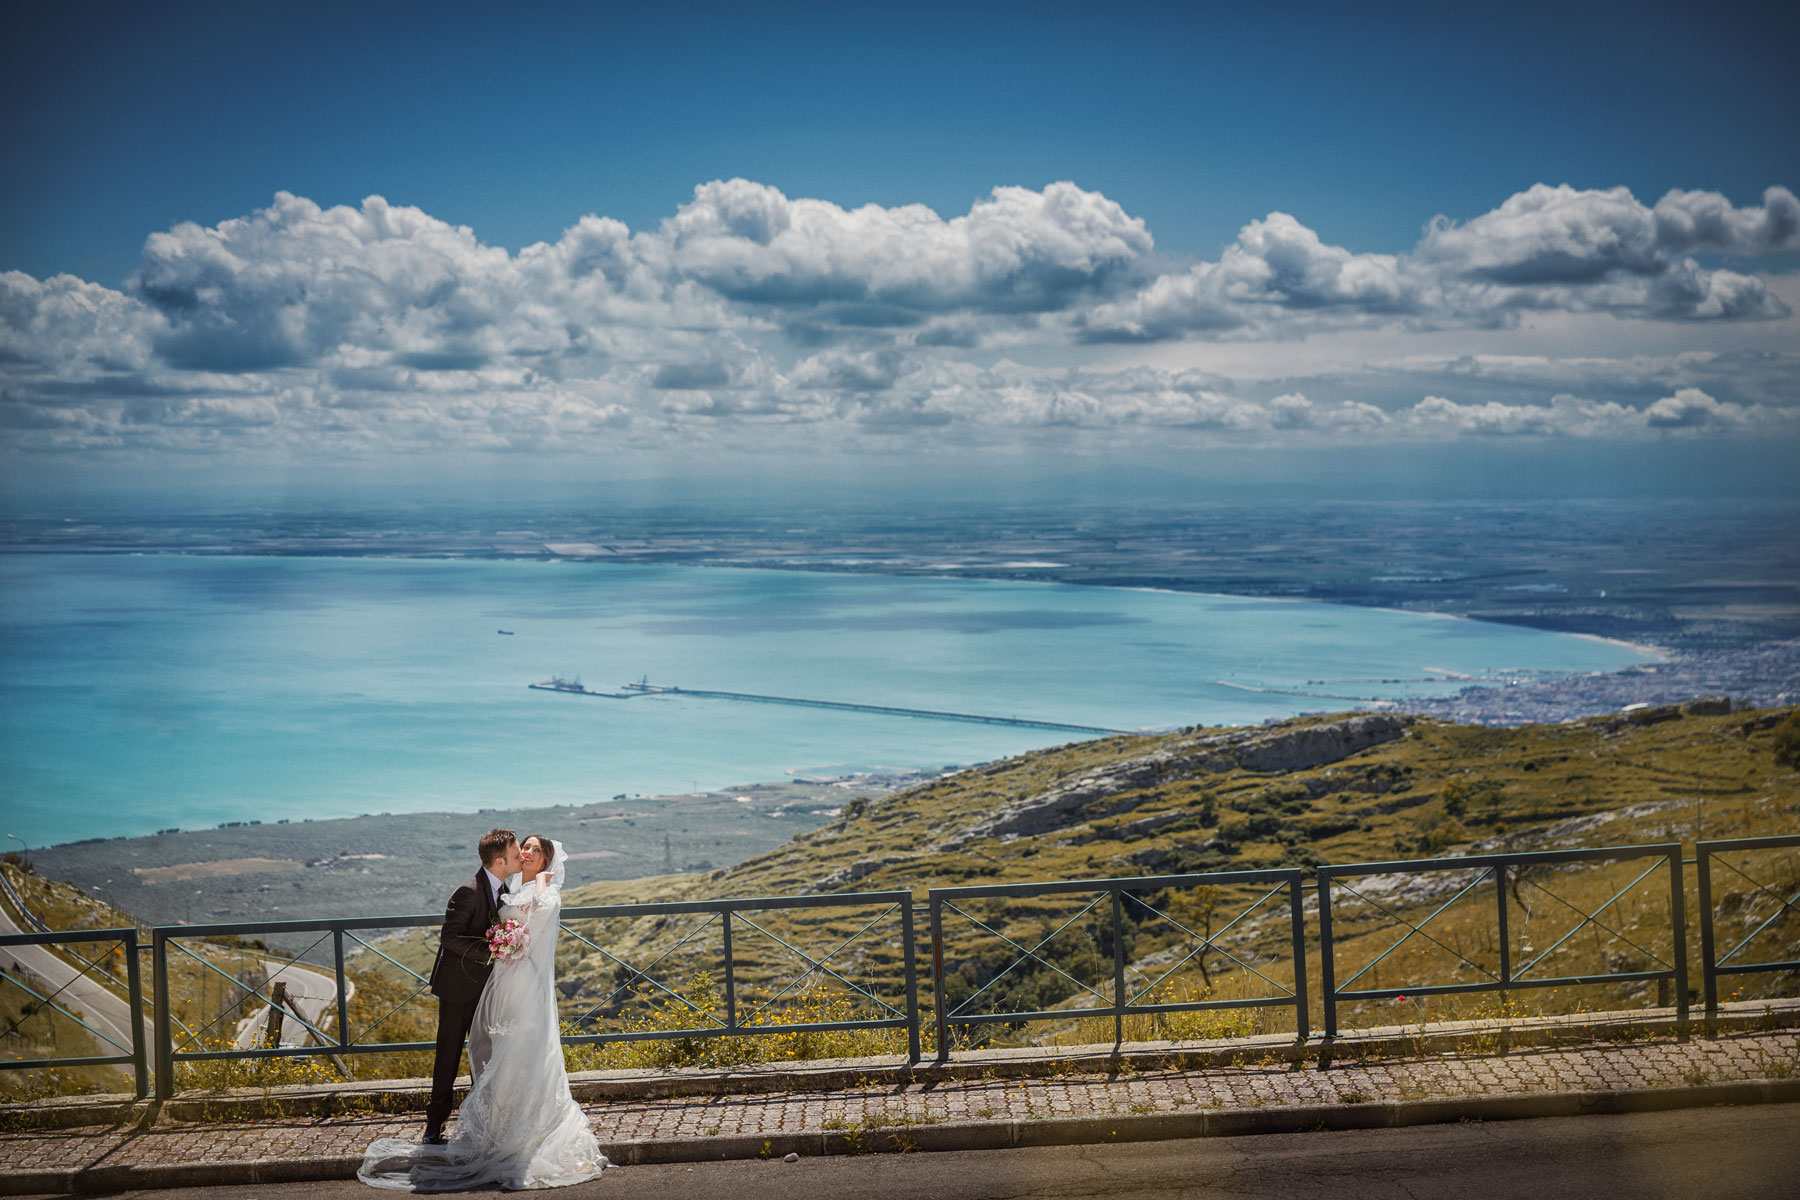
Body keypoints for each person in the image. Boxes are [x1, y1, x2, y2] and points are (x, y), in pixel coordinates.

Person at [361, 834, 610, 1191]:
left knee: (498, 1053)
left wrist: (540, 884)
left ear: (546, 861)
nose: (523, 853)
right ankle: (436, 1125)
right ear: (501, 860)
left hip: (507, 986)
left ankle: (496, 1124)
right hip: (462, 985)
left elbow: (536, 913)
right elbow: (450, 937)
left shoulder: (517, 886)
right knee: (449, 1053)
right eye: (519, 848)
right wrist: (494, 951)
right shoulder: (474, 889)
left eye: (533, 850)